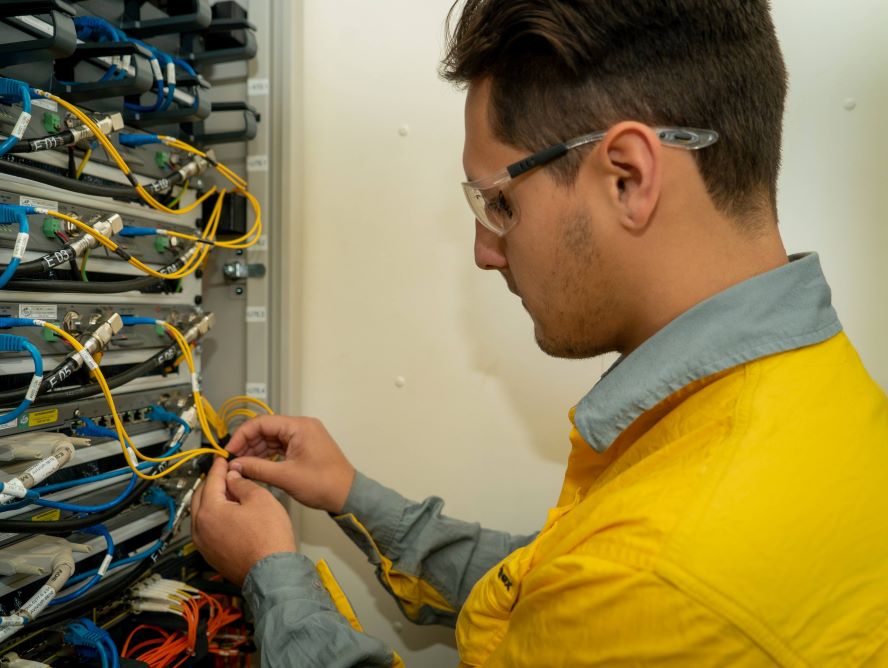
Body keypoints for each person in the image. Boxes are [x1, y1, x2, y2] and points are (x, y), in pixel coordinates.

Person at [191, 0, 888, 665]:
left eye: (501, 203)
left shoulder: (657, 578)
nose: (485, 250)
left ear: (627, 178)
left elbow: (607, 591)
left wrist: (271, 574)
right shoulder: (808, 394)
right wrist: (350, 494)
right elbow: (546, 584)